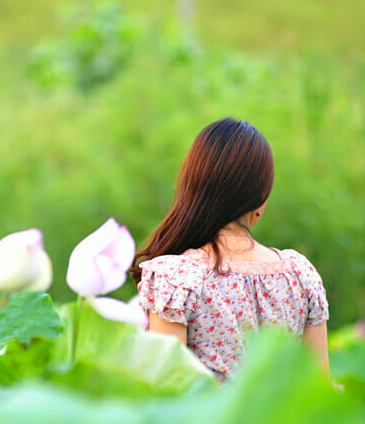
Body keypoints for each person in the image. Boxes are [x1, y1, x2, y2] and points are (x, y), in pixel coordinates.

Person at [129, 117, 329, 385]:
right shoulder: (300, 276)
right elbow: (319, 392)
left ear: (193, 190)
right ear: (260, 201)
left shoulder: (178, 281)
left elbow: (167, 399)